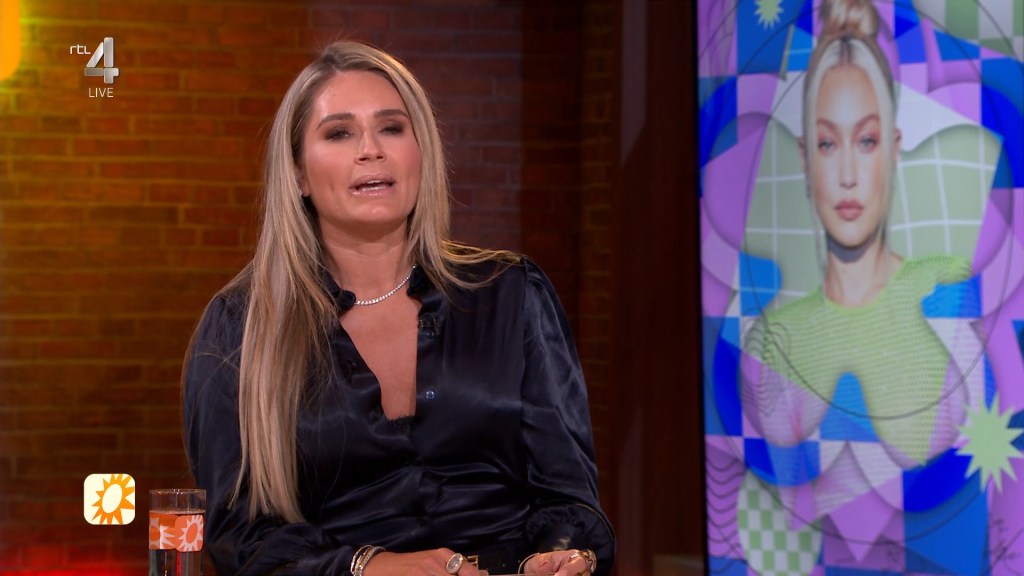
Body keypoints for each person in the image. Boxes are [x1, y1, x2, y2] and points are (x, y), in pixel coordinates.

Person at [182, 40, 614, 576]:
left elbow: (570, 500)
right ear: (297, 173)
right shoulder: (241, 327)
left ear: (420, 152)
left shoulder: (511, 293)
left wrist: (560, 558)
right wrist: (371, 567)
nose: (371, 150)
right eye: (339, 133)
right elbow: (239, 538)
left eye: (391, 128)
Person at [745, 0, 973, 472]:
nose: (847, 175)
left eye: (866, 140)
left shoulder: (950, 284)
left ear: (893, 148)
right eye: (828, 143)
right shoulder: (775, 339)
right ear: (805, 157)